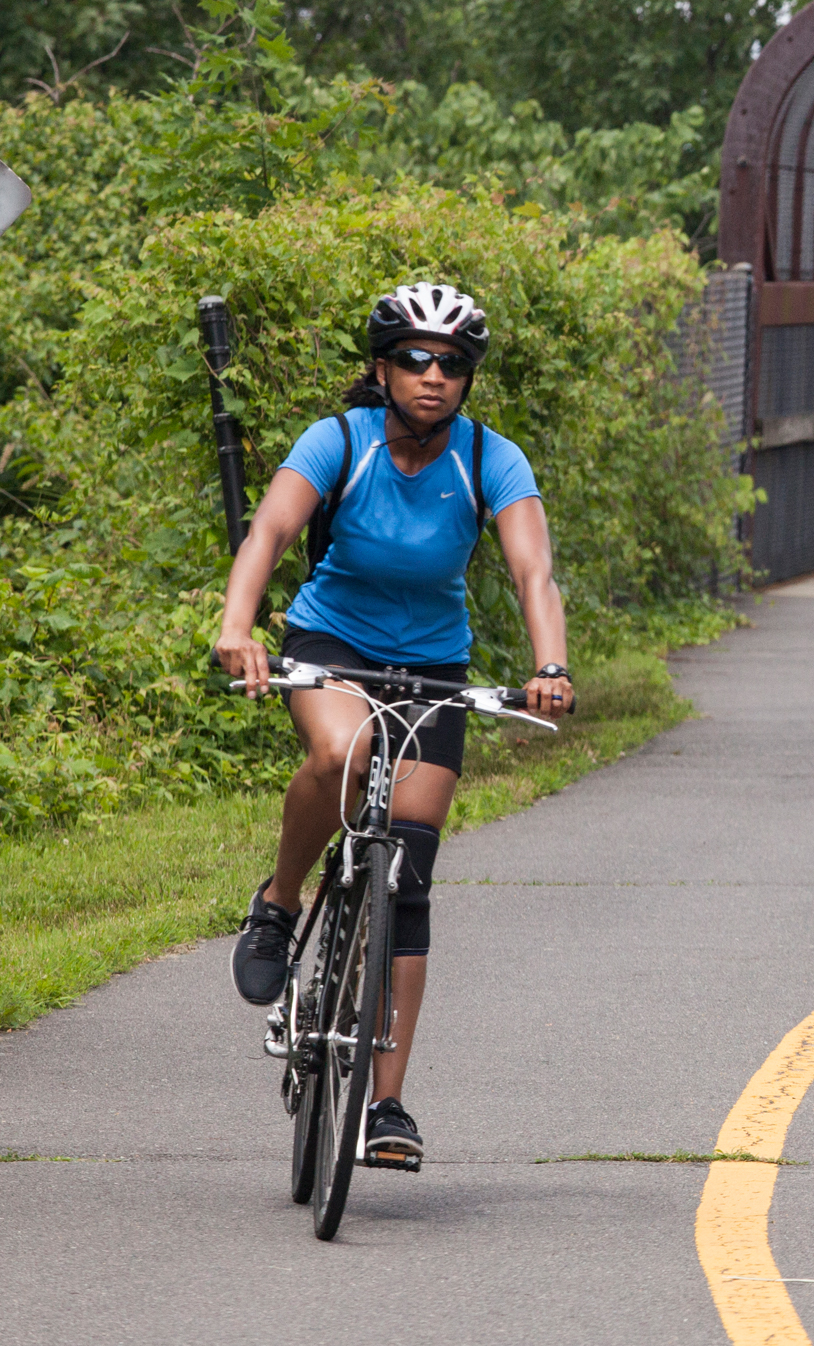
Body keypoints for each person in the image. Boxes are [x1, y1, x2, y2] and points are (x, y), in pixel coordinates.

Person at [212, 282, 574, 1167]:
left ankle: (388, 1106)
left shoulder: (491, 459)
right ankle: (279, 900)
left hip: (434, 667)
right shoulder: (338, 442)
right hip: (333, 641)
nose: (433, 376)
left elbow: (533, 574)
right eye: (414, 358)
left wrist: (550, 667)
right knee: (343, 749)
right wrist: (237, 627)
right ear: (381, 368)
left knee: (406, 875)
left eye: (452, 364)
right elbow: (267, 533)